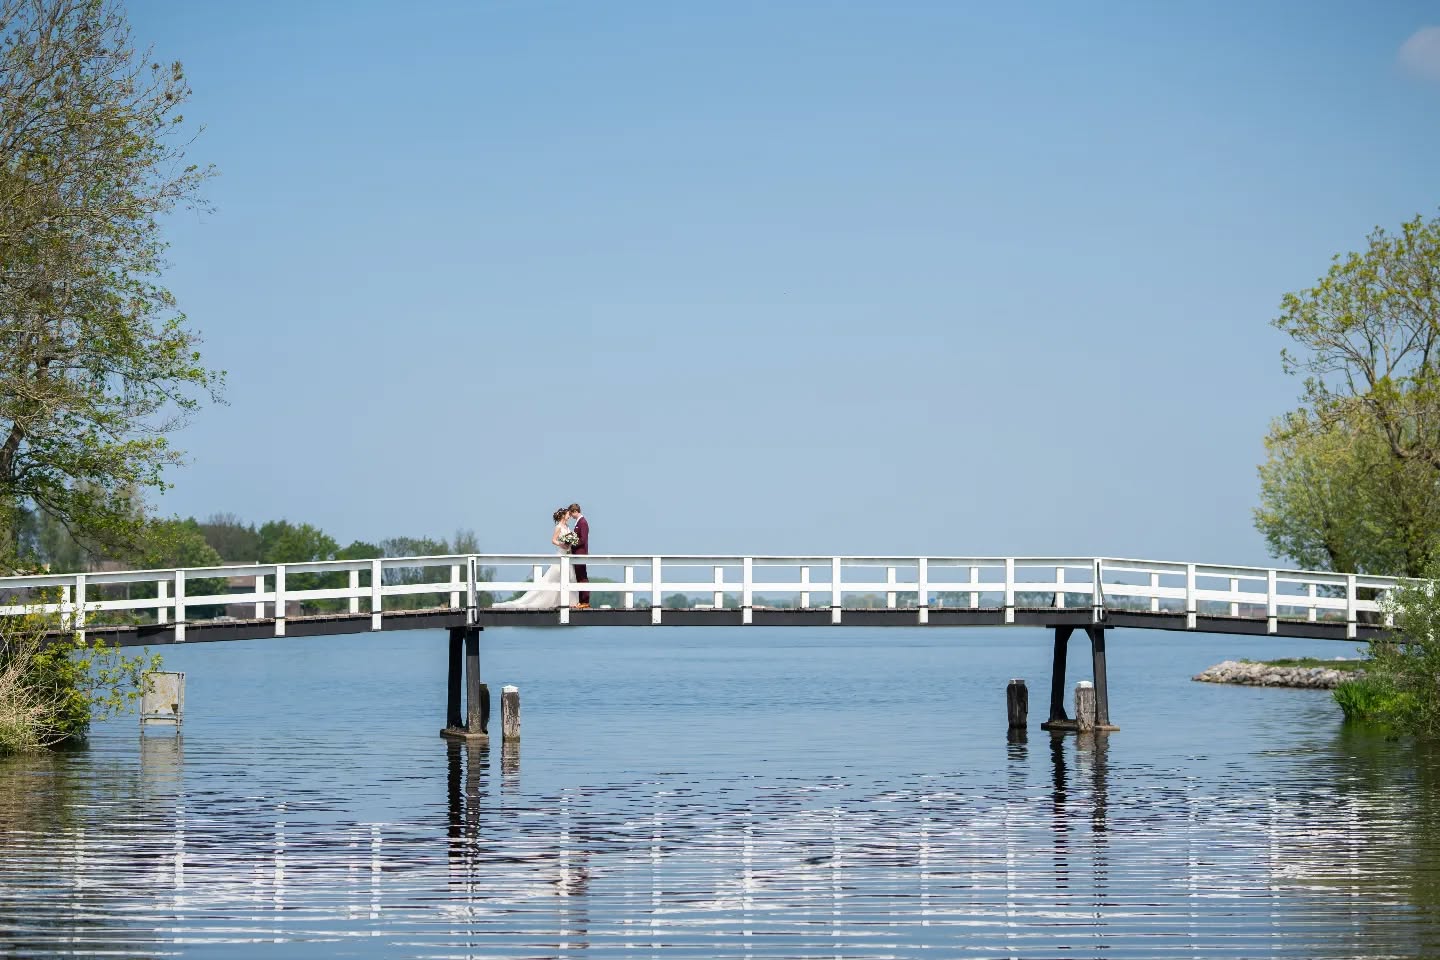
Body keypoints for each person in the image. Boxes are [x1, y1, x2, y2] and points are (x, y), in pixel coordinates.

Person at [492, 507, 573, 609]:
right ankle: (545, 601)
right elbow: (553, 540)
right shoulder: (559, 527)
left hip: (567, 554)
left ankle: (561, 601)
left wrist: (570, 544)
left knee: (566, 578)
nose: (569, 516)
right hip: (561, 553)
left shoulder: (567, 527)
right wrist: (562, 545)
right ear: (563, 516)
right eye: (567, 514)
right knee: (554, 578)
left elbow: (569, 539)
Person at [567, 503, 589, 608]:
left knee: (582, 577)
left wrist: (572, 542)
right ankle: (581, 601)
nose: (571, 517)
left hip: (580, 553)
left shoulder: (583, 522)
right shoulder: (578, 522)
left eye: (571, 514)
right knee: (579, 576)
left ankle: (585, 601)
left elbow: (583, 540)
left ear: (575, 511)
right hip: (577, 553)